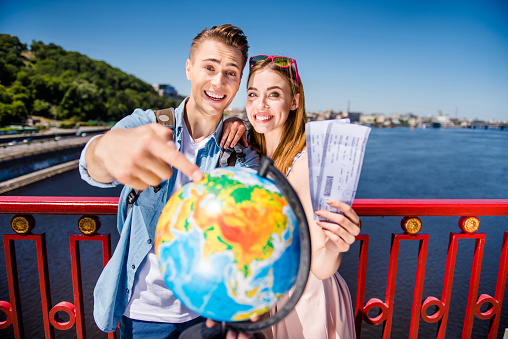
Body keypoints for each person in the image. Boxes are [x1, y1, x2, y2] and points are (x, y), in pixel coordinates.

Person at [79, 24, 259, 338]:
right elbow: (95, 164)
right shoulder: (149, 125)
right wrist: (105, 150)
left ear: (239, 81)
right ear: (189, 68)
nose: (218, 81)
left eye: (231, 72)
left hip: (206, 313)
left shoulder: (239, 151)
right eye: (209, 67)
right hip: (143, 313)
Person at [244, 55, 360, 338]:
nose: (260, 105)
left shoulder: (305, 166)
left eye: (274, 94)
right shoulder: (251, 153)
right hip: (271, 297)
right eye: (253, 94)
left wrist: (335, 246)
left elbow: (320, 265)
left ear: (294, 101)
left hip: (306, 306)